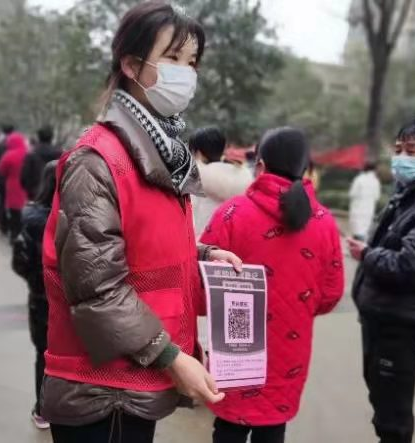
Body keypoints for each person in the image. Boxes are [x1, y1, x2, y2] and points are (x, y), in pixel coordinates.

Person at [41, 3, 241, 442]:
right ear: (131, 65)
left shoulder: (161, 154)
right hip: (101, 391)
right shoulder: (98, 161)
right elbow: (97, 287)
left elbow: (140, 245)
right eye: (172, 58)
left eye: (192, 62)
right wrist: (170, 356)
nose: (186, 73)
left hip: (130, 381)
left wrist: (203, 256)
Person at [201, 127, 344, 443]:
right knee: (273, 427)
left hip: (235, 348)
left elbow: (201, 284)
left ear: (261, 165)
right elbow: (331, 294)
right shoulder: (324, 223)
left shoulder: (232, 213)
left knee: (229, 427)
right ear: (305, 168)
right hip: (290, 351)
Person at [348, 119, 415, 443]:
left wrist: (367, 254)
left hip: (400, 319)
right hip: (385, 313)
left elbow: (412, 265)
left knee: (392, 407)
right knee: (382, 393)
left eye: (411, 151)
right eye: (398, 150)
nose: (401, 158)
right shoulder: (412, 192)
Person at [12, 161, 57, 430]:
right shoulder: (79, 215)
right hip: (70, 299)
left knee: (43, 352)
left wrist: (34, 280)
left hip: (40, 298)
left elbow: (20, 261)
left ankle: (42, 409)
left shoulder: (30, 219)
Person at [190, 127, 253, 237]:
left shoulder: (194, 179)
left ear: (198, 153)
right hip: (232, 242)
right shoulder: (244, 176)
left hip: (202, 242)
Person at [0, 132, 28, 243]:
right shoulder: (29, 153)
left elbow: (1, 170)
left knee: (14, 212)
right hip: (27, 186)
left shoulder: (9, 155)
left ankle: (14, 235)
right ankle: (24, 235)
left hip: (13, 186)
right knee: (25, 211)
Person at [20, 125, 61, 200]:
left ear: (38, 137)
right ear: (51, 138)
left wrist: (28, 189)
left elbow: (24, 176)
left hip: (34, 193)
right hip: (53, 194)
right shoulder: (59, 154)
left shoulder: (31, 154)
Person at [0, 124, 15, 235]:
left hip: (1, 179)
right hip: (14, 179)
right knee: (14, 203)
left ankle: (3, 226)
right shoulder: (17, 145)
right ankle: (12, 226)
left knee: (2, 201)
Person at [349, 162, 381, 241]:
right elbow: (377, 197)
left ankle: (356, 240)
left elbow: (352, 193)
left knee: (356, 227)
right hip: (369, 209)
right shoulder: (375, 181)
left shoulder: (359, 179)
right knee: (365, 228)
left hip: (357, 207)